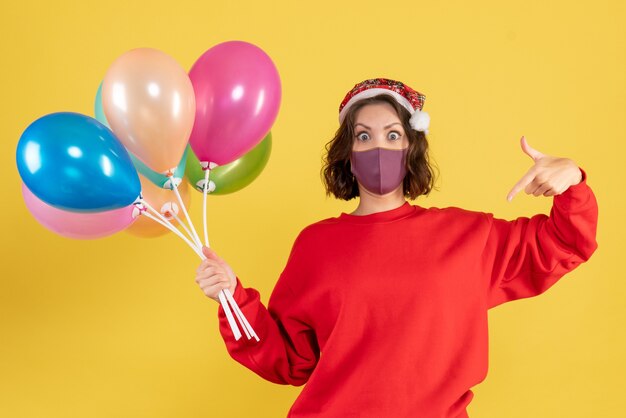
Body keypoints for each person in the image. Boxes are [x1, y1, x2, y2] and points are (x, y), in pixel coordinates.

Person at [194, 78, 599, 417]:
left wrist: (572, 181)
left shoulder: (468, 236)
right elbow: (289, 359)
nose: (379, 149)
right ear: (348, 156)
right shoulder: (315, 245)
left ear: (412, 149)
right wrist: (232, 298)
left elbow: (564, 243)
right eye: (363, 136)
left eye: (393, 135)